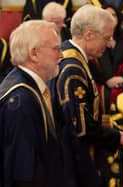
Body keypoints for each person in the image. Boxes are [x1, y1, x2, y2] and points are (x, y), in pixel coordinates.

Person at [48, 5, 123, 187]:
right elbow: (81, 127)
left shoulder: (70, 56)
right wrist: (119, 137)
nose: (110, 43)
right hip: (72, 163)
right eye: (106, 37)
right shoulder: (73, 68)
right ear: (89, 34)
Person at [0, 20, 63, 187]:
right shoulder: (22, 99)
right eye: (56, 48)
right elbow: (23, 173)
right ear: (34, 54)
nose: (61, 55)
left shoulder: (25, 86)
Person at [89, 4, 123, 117]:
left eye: (113, 15)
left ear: (118, 18)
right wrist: (106, 80)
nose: (110, 18)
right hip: (99, 82)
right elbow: (89, 66)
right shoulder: (92, 40)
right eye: (106, 15)